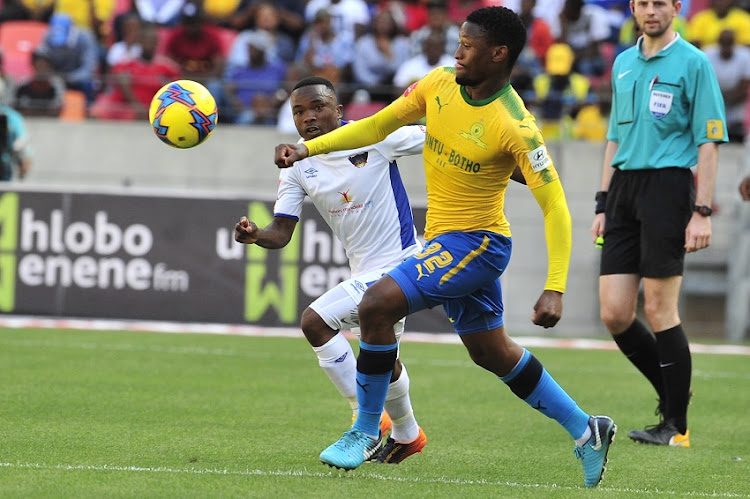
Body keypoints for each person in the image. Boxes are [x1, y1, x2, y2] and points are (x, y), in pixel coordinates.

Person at [274, 6, 616, 488]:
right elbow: (376, 127)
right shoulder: (437, 85)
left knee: (378, 303)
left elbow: (556, 207)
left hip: (480, 243)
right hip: (445, 241)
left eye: (468, 45)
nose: (457, 51)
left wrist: (555, 285)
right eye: (458, 41)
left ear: (498, 55)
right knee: (492, 353)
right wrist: (308, 149)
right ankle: (587, 430)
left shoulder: (515, 125)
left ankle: (366, 430)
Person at [235, 76, 428, 464]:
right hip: (364, 270)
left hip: (402, 264)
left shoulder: (373, 135)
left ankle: (364, 418)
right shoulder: (297, 167)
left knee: (315, 321)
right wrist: (256, 236)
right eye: (299, 111)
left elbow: (438, 137)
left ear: (339, 111)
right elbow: (281, 232)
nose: (308, 117)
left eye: (318, 106)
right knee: (382, 360)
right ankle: (409, 435)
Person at [590, 0, 727, 447]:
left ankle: (677, 426)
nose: (651, 11)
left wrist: (701, 211)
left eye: (660, 3)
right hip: (624, 190)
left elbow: (709, 141)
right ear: (633, 8)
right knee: (614, 312)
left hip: (669, 189)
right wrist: (602, 203)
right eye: (643, 3)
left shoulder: (694, 63)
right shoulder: (624, 62)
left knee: (660, 309)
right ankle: (674, 390)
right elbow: (614, 136)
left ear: (676, 8)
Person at [0, 80, 32, 181]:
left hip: (3, 176)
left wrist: (23, 161)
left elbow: (21, 144)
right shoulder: (12, 116)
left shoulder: (11, 117)